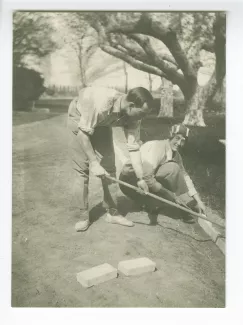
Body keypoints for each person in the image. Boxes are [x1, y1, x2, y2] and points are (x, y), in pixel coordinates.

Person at [67, 86, 154, 232]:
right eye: (142, 114)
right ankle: (82, 216)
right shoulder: (100, 102)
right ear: (132, 106)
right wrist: (94, 163)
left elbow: (133, 148)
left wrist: (140, 178)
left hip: (102, 122)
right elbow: (83, 135)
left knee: (109, 168)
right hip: (80, 116)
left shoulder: (133, 115)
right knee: (82, 170)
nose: (143, 118)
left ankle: (112, 213)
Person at [119, 123, 206, 224]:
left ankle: (174, 204)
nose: (179, 143)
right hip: (130, 181)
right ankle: (147, 201)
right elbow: (146, 177)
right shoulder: (158, 148)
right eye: (177, 138)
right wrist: (168, 194)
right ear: (170, 137)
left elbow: (185, 177)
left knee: (173, 169)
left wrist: (199, 201)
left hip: (145, 180)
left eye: (182, 141)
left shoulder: (176, 155)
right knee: (172, 170)